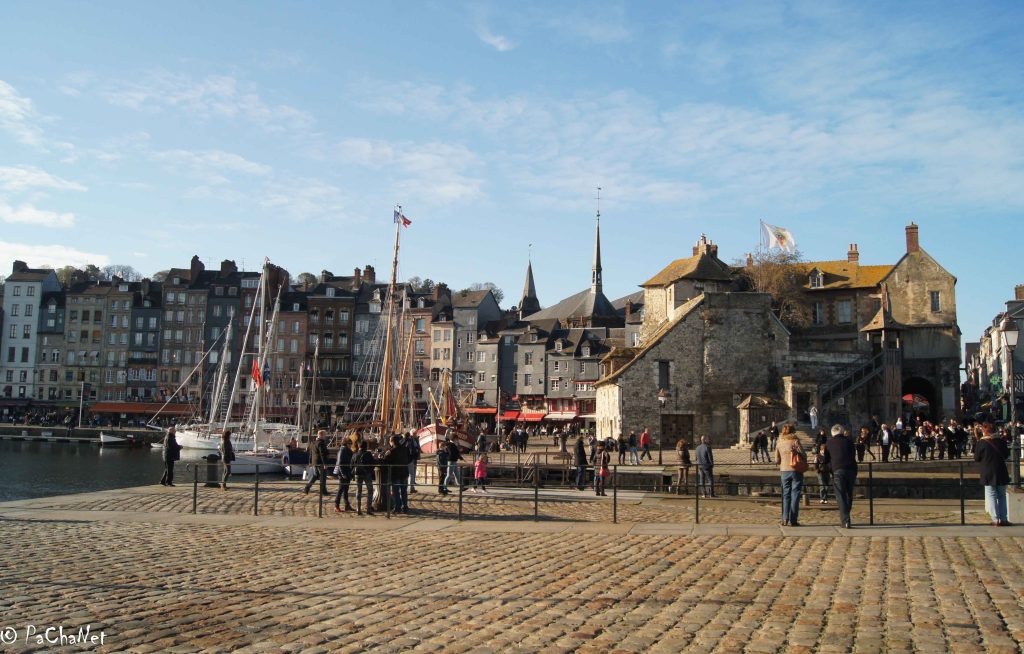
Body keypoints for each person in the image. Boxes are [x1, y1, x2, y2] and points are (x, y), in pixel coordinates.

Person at [975, 423, 1012, 526]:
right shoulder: (1001, 441)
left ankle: (995, 519)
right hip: (1001, 471)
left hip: (988, 472)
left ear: (984, 431)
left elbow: (977, 458)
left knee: (991, 495)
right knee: (1002, 495)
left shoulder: (981, 443)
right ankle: (1004, 519)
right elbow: (1006, 455)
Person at [824, 424, 858, 528]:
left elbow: (826, 459)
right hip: (851, 469)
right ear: (842, 432)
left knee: (840, 495)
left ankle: (845, 520)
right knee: (848, 494)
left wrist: (830, 466)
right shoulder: (849, 441)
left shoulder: (829, 442)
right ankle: (846, 516)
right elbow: (853, 454)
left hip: (838, 470)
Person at [775, 425, 806, 526]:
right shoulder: (795, 441)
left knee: (785, 495)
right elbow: (804, 455)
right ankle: (793, 520)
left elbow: (777, 460)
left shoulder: (779, 443)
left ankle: (784, 519)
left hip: (784, 471)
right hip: (795, 470)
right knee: (795, 495)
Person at [383, 434, 410, 513]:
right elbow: (408, 458)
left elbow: (387, 461)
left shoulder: (392, 451)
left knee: (396, 491)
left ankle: (397, 507)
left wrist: (385, 455)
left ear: (392, 442)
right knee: (404, 491)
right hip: (404, 472)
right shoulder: (405, 449)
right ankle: (405, 507)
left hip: (396, 474)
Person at [352, 441, 375, 516]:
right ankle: (368, 508)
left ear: (359, 446)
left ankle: (358, 508)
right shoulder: (368, 454)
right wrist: (370, 471)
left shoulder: (355, 454)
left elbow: (351, 465)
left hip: (357, 474)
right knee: (370, 490)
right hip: (367, 473)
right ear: (366, 446)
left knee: (358, 491)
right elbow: (373, 463)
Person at [303, 430, 330, 496]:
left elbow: (311, 454)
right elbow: (322, 454)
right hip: (320, 463)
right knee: (323, 477)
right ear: (321, 435)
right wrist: (325, 464)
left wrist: (310, 462)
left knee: (315, 476)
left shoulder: (313, 443)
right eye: (324, 435)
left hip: (314, 462)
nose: (325, 437)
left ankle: (307, 487)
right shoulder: (321, 443)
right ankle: (323, 491)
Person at [333, 440, 354, 513]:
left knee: (345, 490)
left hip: (347, 472)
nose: (351, 445)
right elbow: (340, 463)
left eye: (351, 443)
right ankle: (336, 505)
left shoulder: (347, 450)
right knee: (341, 489)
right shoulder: (343, 450)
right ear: (346, 443)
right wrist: (342, 474)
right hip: (344, 473)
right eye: (349, 443)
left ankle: (347, 505)